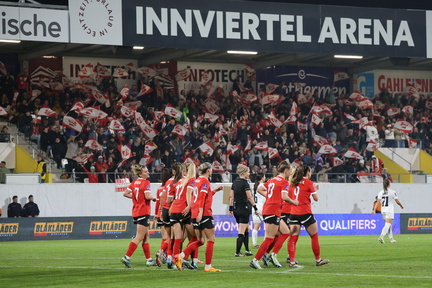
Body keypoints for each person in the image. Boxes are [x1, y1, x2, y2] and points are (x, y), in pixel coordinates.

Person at [174, 162, 223, 272]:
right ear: (208, 170)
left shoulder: (196, 181)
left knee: (200, 240)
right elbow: (201, 197)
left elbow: (202, 195)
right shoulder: (205, 181)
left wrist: (215, 190)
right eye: (211, 169)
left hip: (194, 213)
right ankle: (208, 266)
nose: (212, 171)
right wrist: (201, 211)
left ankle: (180, 256)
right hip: (204, 213)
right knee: (211, 239)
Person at [249, 160, 298, 270]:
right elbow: (285, 197)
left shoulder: (272, 180)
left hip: (271, 210)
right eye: (289, 171)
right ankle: (255, 260)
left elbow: (259, 188)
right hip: (272, 210)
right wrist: (294, 202)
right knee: (269, 238)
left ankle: (273, 254)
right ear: (286, 171)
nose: (290, 173)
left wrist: (269, 197)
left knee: (286, 232)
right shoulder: (283, 182)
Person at [288, 165, 330, 268]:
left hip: (293, 213)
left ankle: (292, 261)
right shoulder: (309, 183)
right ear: (307, 172)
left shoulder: (292, 182)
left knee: (293, 238)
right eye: (310, 172)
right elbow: (316, 198)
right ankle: (318, 260)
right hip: (305, 212)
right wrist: (314, 190)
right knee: (314, 236)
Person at [121, 164, 157, 268]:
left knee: (146, 237)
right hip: (143, 211)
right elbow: (147, 196)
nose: (148, 173)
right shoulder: (146, 182)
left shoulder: (134, 183)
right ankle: (126, 257)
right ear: (140, 174)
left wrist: (136, 197)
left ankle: (149, 260)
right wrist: (154, 198)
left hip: (136, 211)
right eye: (146, 172)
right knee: (139, 237)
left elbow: (125, 193)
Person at [170, 163, 198, 269]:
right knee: (195, 237)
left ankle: (175, 260)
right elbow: (188, 193)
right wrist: (189, 206)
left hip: (174, 211)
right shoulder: (190, 180)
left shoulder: (179, 182)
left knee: (178, 238)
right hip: (183, 210)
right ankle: (190, 260)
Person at [229, 164, 257, 257]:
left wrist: (230, 208)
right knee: (242, 230)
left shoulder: (235, 182)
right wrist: (255, 207)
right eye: (248, 172)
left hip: (236, 209)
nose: (249, 173)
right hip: (243, 208)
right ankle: (237, 252)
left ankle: (247, 250)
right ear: (244, 173)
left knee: (246, 229)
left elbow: (231, 197)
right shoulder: (245, 183)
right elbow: (249, 196)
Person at [372, 179, 404, 244]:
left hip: (383, 210)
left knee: (388, 225)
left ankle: (391, 239)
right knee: (388, 224)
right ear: (389, 184)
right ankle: (381, 236)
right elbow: (397, 201)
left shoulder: (380, 192)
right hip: (389, 210)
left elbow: (378, 201)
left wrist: (374, 209)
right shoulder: (392, 192)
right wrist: (401, 205)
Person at [154, 168, 172, 266]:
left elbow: (158, 203)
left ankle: (162, 256)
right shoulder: (169, 187)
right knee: (170, 237)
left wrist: (156, 214)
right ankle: (162, 253)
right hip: (166, 212)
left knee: (164, 237)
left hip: (159, 213)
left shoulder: (159, 189)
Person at [251, 173, 266, 248]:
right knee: (268, 225)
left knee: (256, 226)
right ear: (262, 178)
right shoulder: (262, 185)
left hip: (254, 207)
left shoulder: (254, 186)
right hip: (261, 207)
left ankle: (254, 243)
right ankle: (265, 243)